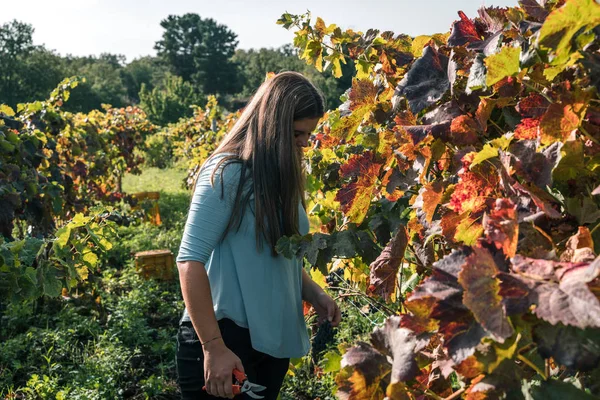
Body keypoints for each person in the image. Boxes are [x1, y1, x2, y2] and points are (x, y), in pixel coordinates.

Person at [175, 71, 342, 400]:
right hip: (226, 341)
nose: (305, 143)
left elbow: (278, 259)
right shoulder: (227, 172)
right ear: (274, 125)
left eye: (308, 134)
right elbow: (188, 261)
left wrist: (314, 293)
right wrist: (213, 348)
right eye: (297, 133)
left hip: (269, 343)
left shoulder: (279, 178)